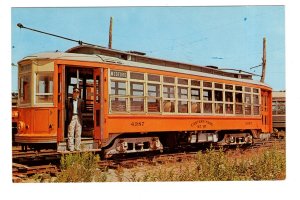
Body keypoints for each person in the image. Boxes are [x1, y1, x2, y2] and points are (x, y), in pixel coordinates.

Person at [67, 87, 84, 151]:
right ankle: (71, 147)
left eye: (77, 92)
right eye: (75, 91)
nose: (76, 93)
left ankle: (77, 147)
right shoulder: (69, 100)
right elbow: (67, 108)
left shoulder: (81, 101)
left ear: (79, 93)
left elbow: (82, 109)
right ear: (73, 93)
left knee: (78, 133)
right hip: (72, 117)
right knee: (71, 132)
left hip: (78, 117)